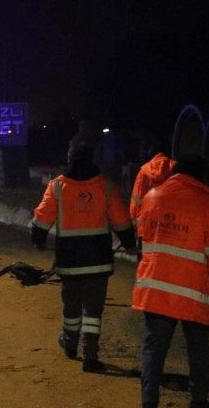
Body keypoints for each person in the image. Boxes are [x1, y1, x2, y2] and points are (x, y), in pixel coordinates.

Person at [132, 154, 209, 408]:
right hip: (193, 292)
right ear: (201, 176)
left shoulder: (153, 196)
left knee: (154, 349)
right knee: (198, 348)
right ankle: (198, 401)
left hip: (156, 289)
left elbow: (144, 237)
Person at [31, 144, 136, 373]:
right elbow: (121, 220)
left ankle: (69, 344)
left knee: (71, 306)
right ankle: (90, 355)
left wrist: (38, 240)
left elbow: (42, 217)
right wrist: (129, 244)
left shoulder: (58, 186)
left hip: (70, 262)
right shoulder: (105, 186)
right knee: (93, 310)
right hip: (98, 261)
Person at [129, 143, 175, 224]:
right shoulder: (175, 169)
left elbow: (137, 197)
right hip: (171, 221)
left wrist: (134, 219)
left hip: (147, 221)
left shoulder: (144, 171)